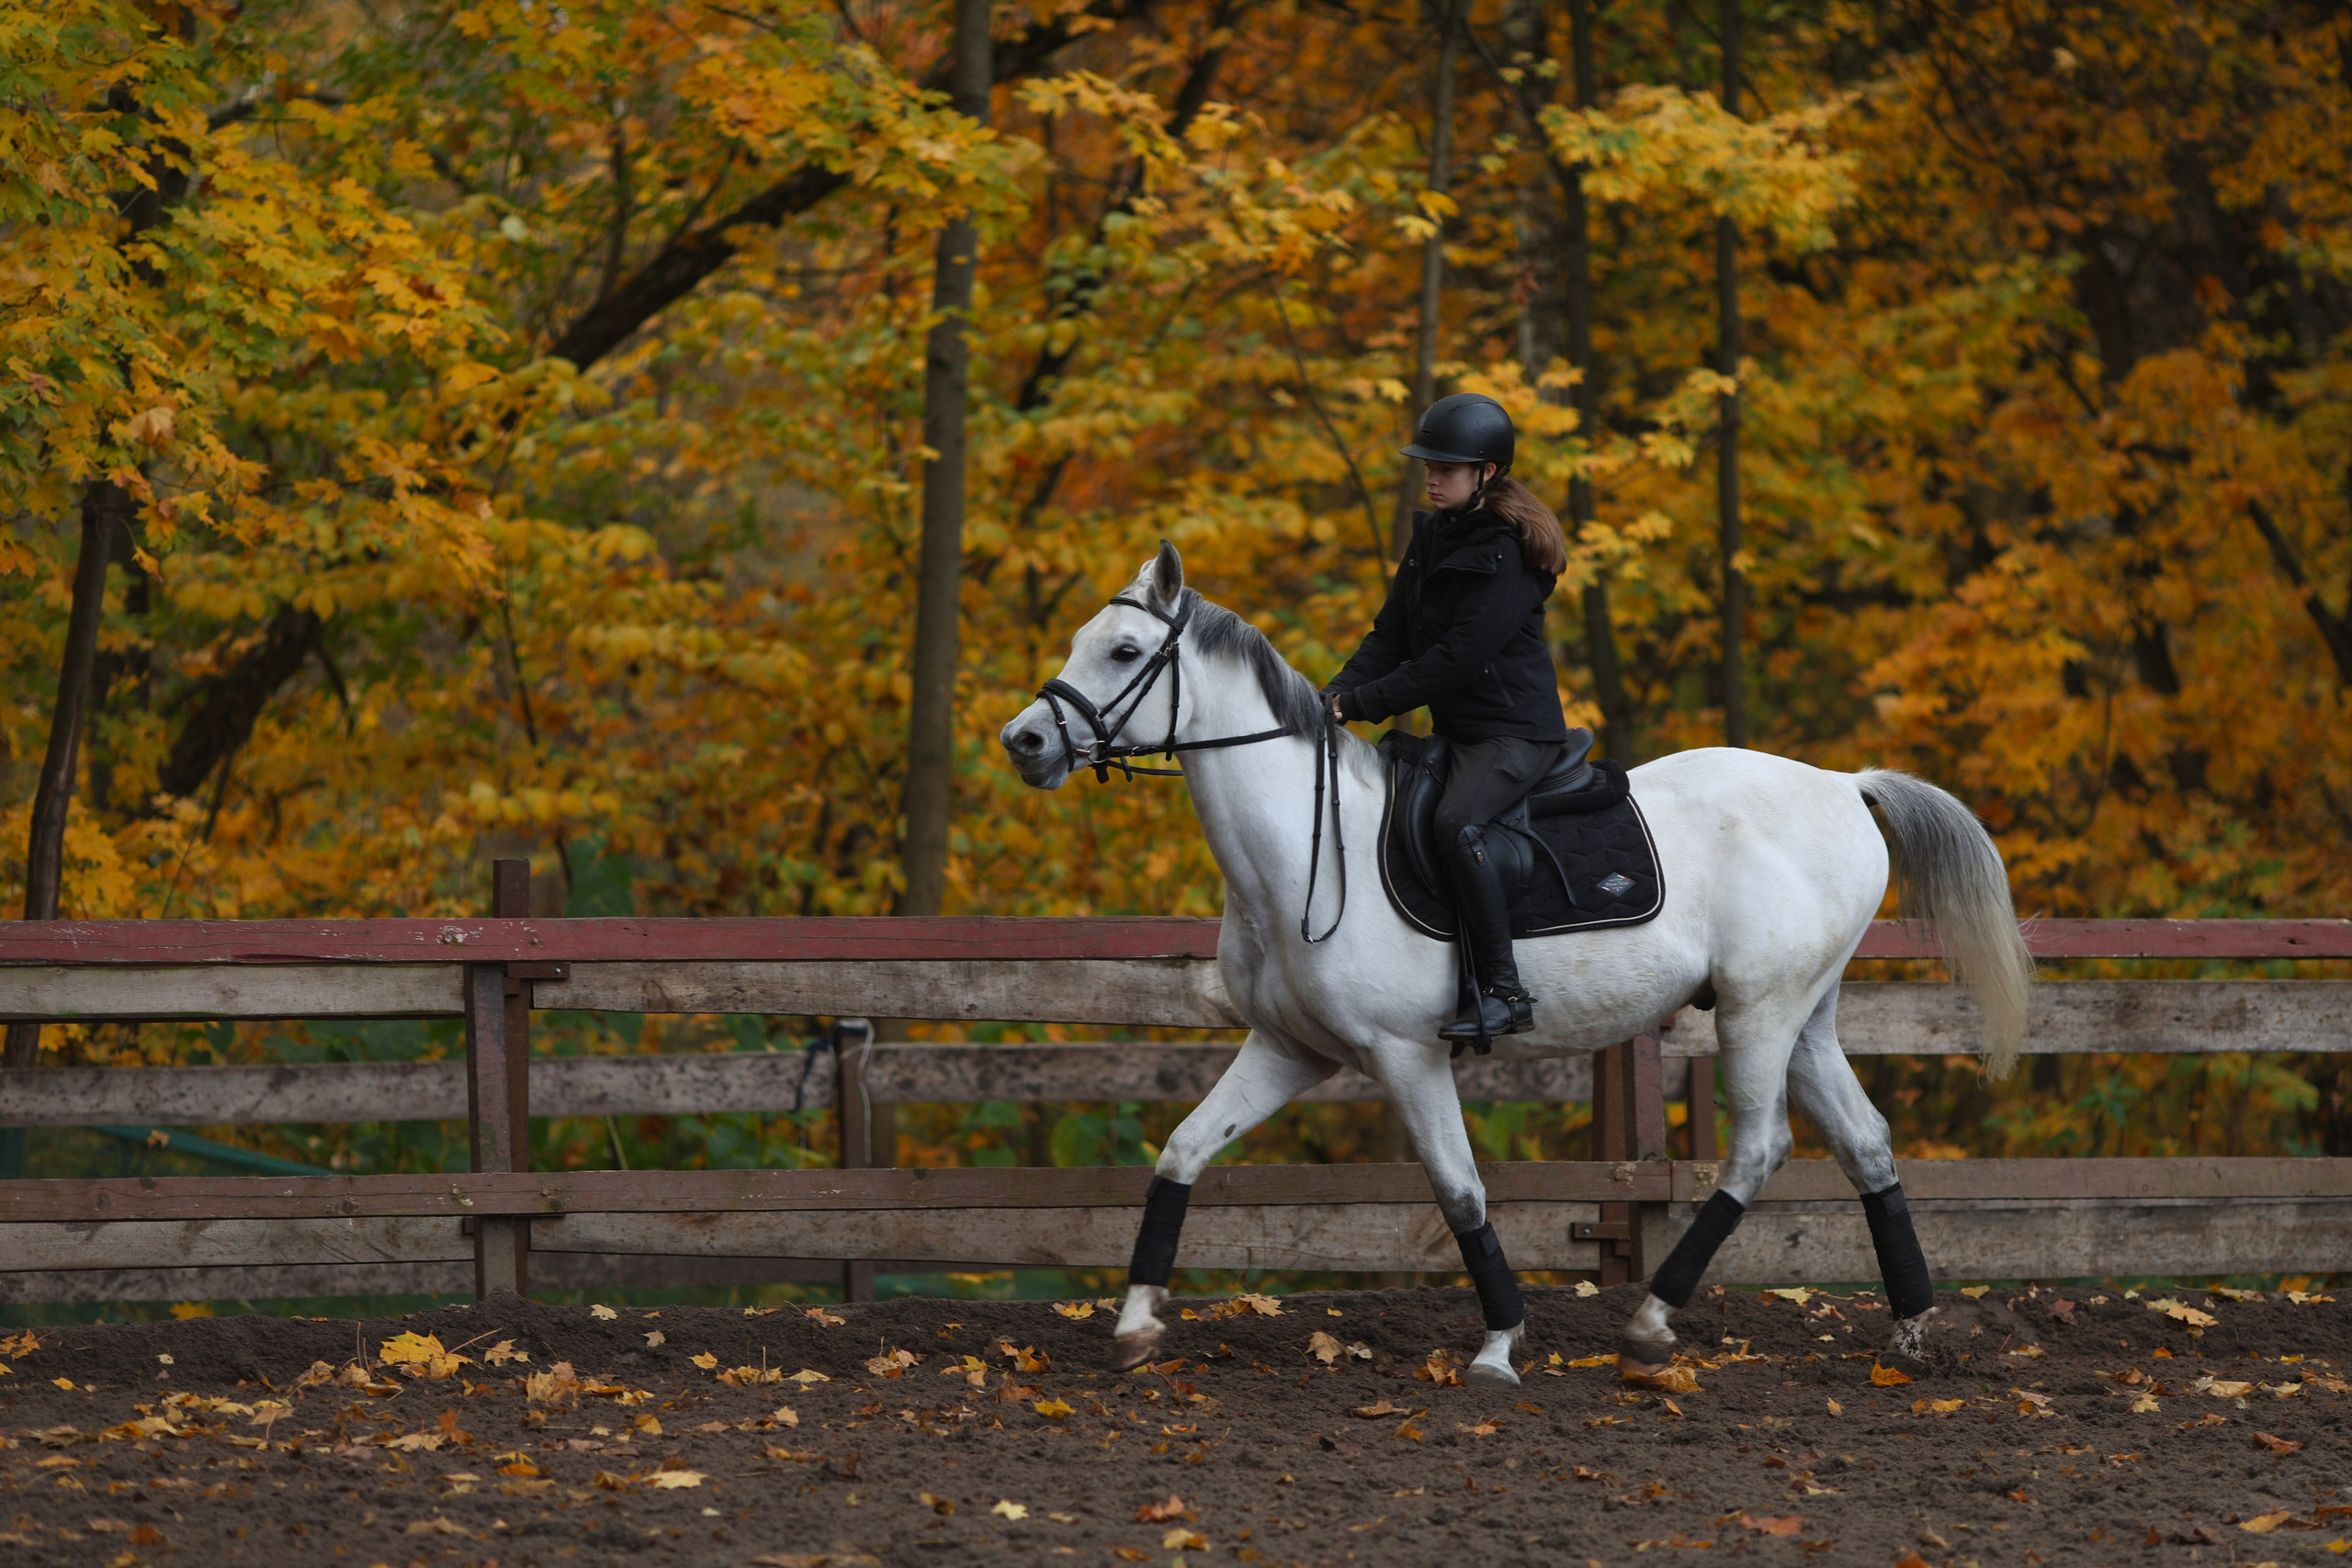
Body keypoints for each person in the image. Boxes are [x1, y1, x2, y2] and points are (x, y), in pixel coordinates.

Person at [1322, 393, 1576, 1043]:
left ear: (1487, 472)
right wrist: (1336, 694)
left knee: (1458, 822)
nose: (1432, 477)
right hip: (1460, 732)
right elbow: (1392, 635)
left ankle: (1502, 989)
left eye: (1447, 468)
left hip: (1514, 734)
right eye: (1429, 465)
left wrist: (1367, 704)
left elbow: (1458, 658)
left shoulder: (1508, 550)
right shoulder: (1433, 535)